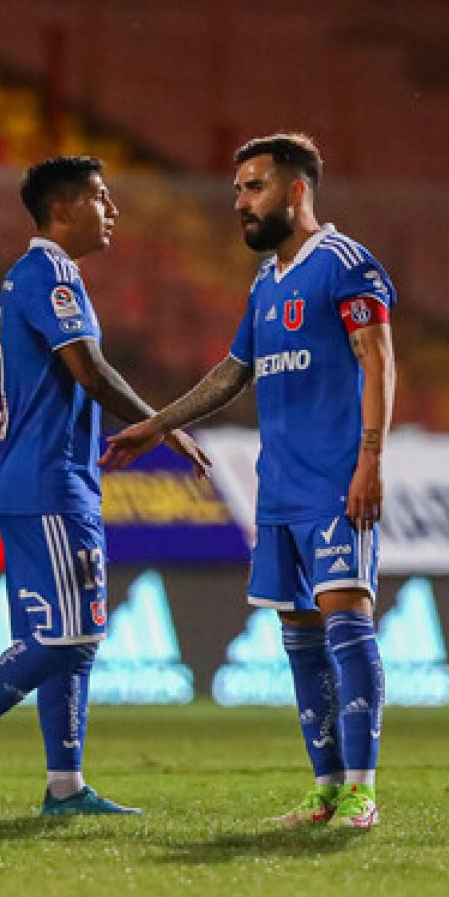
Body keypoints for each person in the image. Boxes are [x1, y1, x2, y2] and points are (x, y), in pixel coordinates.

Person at [102, 133, 396, 829]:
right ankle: (325, 790)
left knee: (347, 623)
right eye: (237, 189)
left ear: (297, 190)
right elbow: (233, 374)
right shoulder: (266, 281)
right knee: (298, 634)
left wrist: (371, 459)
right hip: (279, 490)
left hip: (334, 481)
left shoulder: (345, 265)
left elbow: (379, 360)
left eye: (254, 186)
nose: (241, 201)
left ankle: (362, 789)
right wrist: (156, 424)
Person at [0, 156, 210, 817]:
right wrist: (164, 424)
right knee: (68, 635)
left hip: (43, 475)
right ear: (64, 207)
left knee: (71, 637)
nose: (112, 211)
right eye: (102, 198)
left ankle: (65, 787)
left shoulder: (40, 275)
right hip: (49, 480)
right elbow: (91, 370)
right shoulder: (48, 275)